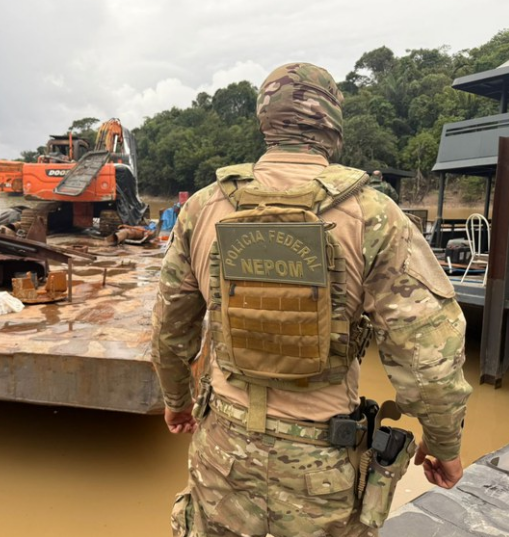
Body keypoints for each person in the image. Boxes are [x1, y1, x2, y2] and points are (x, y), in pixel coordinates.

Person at [151, 62, 472, 537]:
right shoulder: (372, 214)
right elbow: (429, 355)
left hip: (223, 454)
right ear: (333, 124)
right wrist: (443, 444)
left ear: (265, 122)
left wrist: (177, 400)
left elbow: (170, 328)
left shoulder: (201, 208)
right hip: (323, 468)